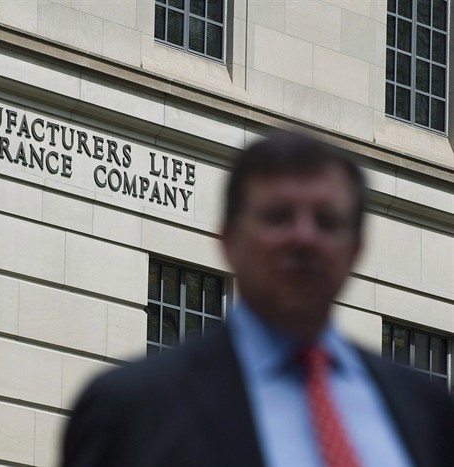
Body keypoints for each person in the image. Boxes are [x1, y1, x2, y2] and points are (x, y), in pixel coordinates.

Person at [61, 132, 454, 467]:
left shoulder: (428, 411)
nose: (304, 239)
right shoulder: (128, 410)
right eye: (277, 216)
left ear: (355, 249)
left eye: (327, 222)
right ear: (229, 241)